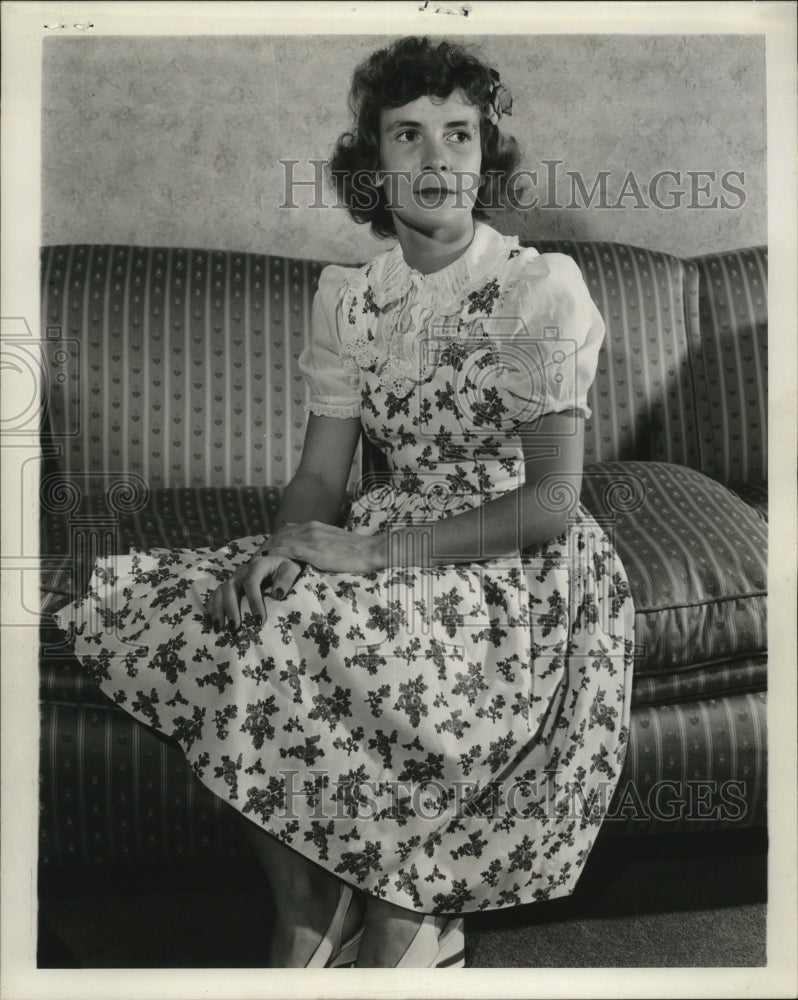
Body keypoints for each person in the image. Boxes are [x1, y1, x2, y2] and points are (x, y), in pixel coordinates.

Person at [55, 35, 635, 969]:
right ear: (371, 163)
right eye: (407, 136)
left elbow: (553, 503)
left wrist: (364, 556)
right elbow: (325, 474)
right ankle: (310, 906)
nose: (437, 159)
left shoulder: (536, 289)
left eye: (459, 134)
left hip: (511, 557)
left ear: (487, 158)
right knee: (228, 606)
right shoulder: (351, 299)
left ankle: (408, 911)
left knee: (342, 624)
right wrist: (292, 539)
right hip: (390, 526)